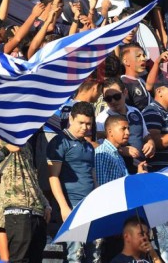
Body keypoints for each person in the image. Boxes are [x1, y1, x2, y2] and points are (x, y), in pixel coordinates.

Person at [47, 102, 96, 263]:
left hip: (90, 205)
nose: (85, 127)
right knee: (75, 254)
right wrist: (63, 207)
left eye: (88, 123)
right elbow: (53, 176)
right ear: (71, 118)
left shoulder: (89, 146)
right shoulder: (59, 142)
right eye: (81, 122)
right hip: (72, 205)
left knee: (95, 255)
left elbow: (92, 175)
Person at [96, 77, 156, 160]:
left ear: (125, 93)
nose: (113, 101)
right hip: (119, 168)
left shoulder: (135, 111)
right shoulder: (101, 119)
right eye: (108, 99)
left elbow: (145, 135)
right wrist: (121, 150)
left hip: (141, 166)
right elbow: (99, 147)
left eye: (116, 96)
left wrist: (150, 142)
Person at [96, 116, 147, 186]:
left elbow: (123, 182)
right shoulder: (103, 153)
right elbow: (102, 187)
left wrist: (138, 175)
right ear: (110, 132)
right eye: (123, 129)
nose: (128, 132)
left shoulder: (116, 154)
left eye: (128, 129)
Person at [120, 43, 151, 111]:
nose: (143, 59)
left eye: (143, 55)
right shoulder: (123, 83)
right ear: (126, 61)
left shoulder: (143, 80)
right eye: (138, 56)